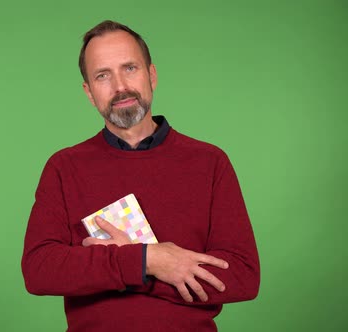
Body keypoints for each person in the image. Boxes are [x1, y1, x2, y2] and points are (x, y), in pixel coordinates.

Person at [21, 20, 260, 332]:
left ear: (152, 75)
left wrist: (136, 270)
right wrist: (148, 261)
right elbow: (40, 270)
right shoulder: (64, 167)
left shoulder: (210, 162)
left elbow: (242, 277)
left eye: (130, 68)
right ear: (90, 92)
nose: (120, 86)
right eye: (102, 75)